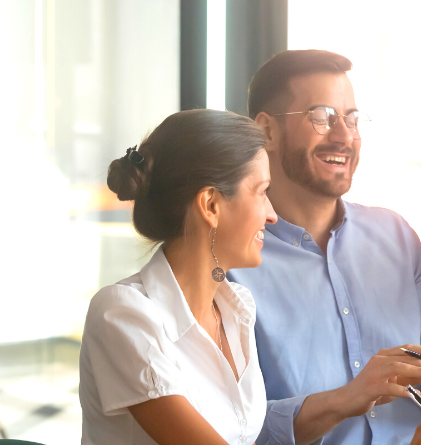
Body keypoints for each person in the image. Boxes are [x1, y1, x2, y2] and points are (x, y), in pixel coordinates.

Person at [226, 49, 421, 445]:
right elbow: (234, 426)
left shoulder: (397, 236)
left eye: (351, 118)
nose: (344, 135)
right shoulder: (230, 264)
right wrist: (348, 398)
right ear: (267, 131)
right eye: (321, 116)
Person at [80, 109, 276, 444]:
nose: (272, 215)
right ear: (211, 205)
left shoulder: (237, 309)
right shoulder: (123, 313)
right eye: (262, 192)